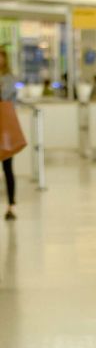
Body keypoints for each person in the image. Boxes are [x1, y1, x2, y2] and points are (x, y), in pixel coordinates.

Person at [0, 46, 18, 220]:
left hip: (5, 128)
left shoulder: (9, 79)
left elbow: (6, 98)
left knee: (7, 168)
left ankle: (11, 205)